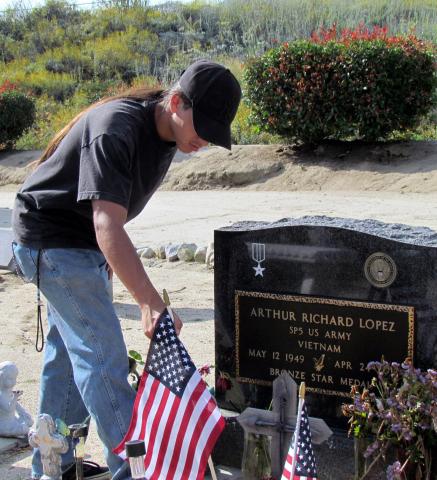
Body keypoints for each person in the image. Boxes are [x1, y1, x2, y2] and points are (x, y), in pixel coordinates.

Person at [11, 59, 241, 480]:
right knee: (103, 358)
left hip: (80, 243)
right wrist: (149, 303)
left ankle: (54, 461)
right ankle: (138, 470)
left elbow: (106, 220)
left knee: (70, 354)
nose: (204, 140)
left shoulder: (169, 135)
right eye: (202, 126)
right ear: (175, 102)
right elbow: (107, 222)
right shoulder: (116, 127)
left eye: (214, 132)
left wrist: (109, 263)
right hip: (51, 239)